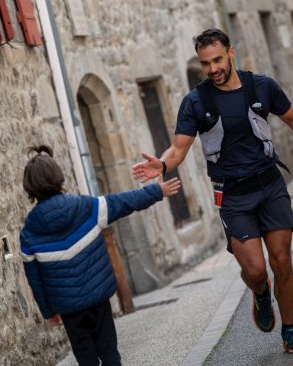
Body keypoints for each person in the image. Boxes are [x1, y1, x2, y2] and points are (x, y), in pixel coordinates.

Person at [131, 28, 293, 354]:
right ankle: (261, 293)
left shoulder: (261, 85)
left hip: (269, 184)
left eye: (218, 60)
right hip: (233, 196)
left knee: (282, 260)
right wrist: (162, 165)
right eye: (205, 63)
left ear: (231, 53)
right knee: (255, 270)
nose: (213, 69)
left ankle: (290, 330)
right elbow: (178, 149)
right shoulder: (196, 102)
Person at [20, 145, 181, 365]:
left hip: (69, 308)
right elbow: (124, 202)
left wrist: (48, 311)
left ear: (29, 187)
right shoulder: (86, 207)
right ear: (58, 178)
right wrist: (156, 192)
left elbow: (35, 279)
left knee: (86, 360)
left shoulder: (29, 232)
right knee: (109, 353)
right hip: (98, 297)